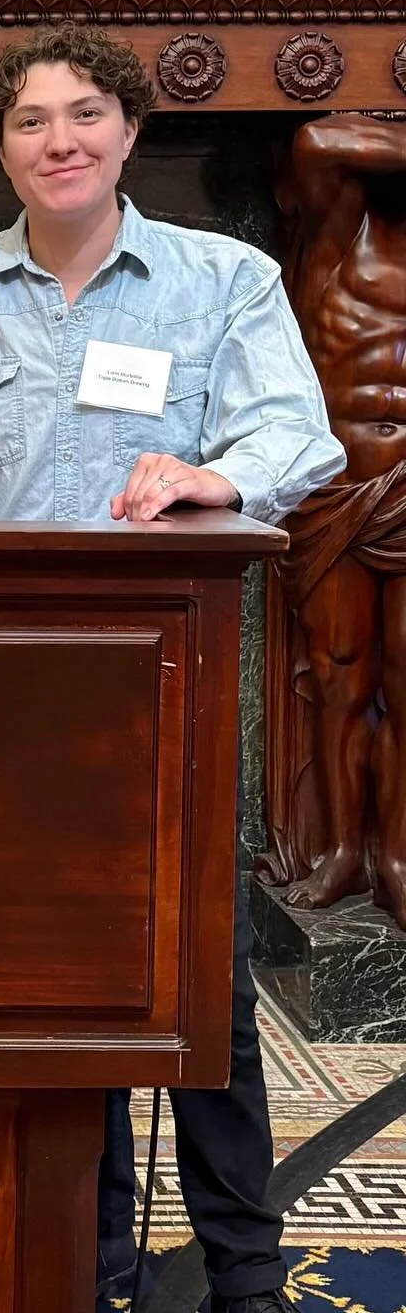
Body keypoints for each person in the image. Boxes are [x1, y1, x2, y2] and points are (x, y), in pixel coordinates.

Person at [0, 21, 357, 1313]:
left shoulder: (223, 280)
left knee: (200, 997)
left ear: (129, 132)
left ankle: (248, 1285)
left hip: (163, 695)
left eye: (85, 114)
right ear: (1, 148)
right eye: (31, 120)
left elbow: (301, 436)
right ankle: (83, 1255)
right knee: (35, 994)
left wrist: (215, 477)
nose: (60, 140)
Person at [261, 115, 406, 929]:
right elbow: (317, 140)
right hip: (338, 489)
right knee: (342, 677)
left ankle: (397, 857)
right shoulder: (345, 231)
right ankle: (343, 848)